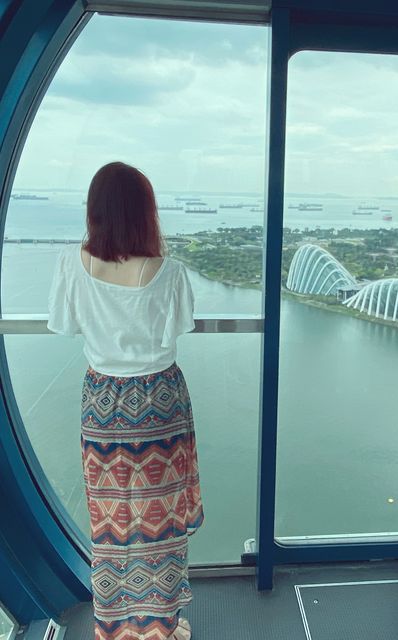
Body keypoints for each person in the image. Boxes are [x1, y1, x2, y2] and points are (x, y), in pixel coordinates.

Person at [47, 162, 204, 640]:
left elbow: (64, 325)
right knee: (160, 524)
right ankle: (162, 626)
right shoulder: (168, 272)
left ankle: (116, 629)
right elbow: (178, 328)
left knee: (112, 524)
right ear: (146, 213)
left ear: (94, 212)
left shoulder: (70, 264)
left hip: (102, 403)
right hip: (159, 403)